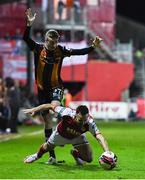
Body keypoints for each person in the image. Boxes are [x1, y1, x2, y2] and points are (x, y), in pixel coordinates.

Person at [23, 8, 102, 163]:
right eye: (51, 42)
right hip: (41, 88)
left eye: (56, 42)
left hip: (56, 87)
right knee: (47, 122)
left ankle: (67, 130)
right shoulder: (38, 49)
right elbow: (26, 38)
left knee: (53, 108)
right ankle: (52, 156)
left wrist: (93, 47)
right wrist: (29, 25)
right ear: (45, 40)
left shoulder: (61, 50)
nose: (53, 44)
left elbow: (80, 52)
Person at [23, 103, 111, 165]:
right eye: (80, 120)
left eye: (85, 119)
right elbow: (49, 106)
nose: (83, 122)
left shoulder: (90, 122)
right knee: (47, 147)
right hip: (60, 134)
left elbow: (99, 137)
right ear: (75, 114)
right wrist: (34, 110)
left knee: (89, 159)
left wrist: (107, 152)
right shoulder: (67, 112)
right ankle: (36, 156)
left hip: (77, 137)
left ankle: (75, 154)